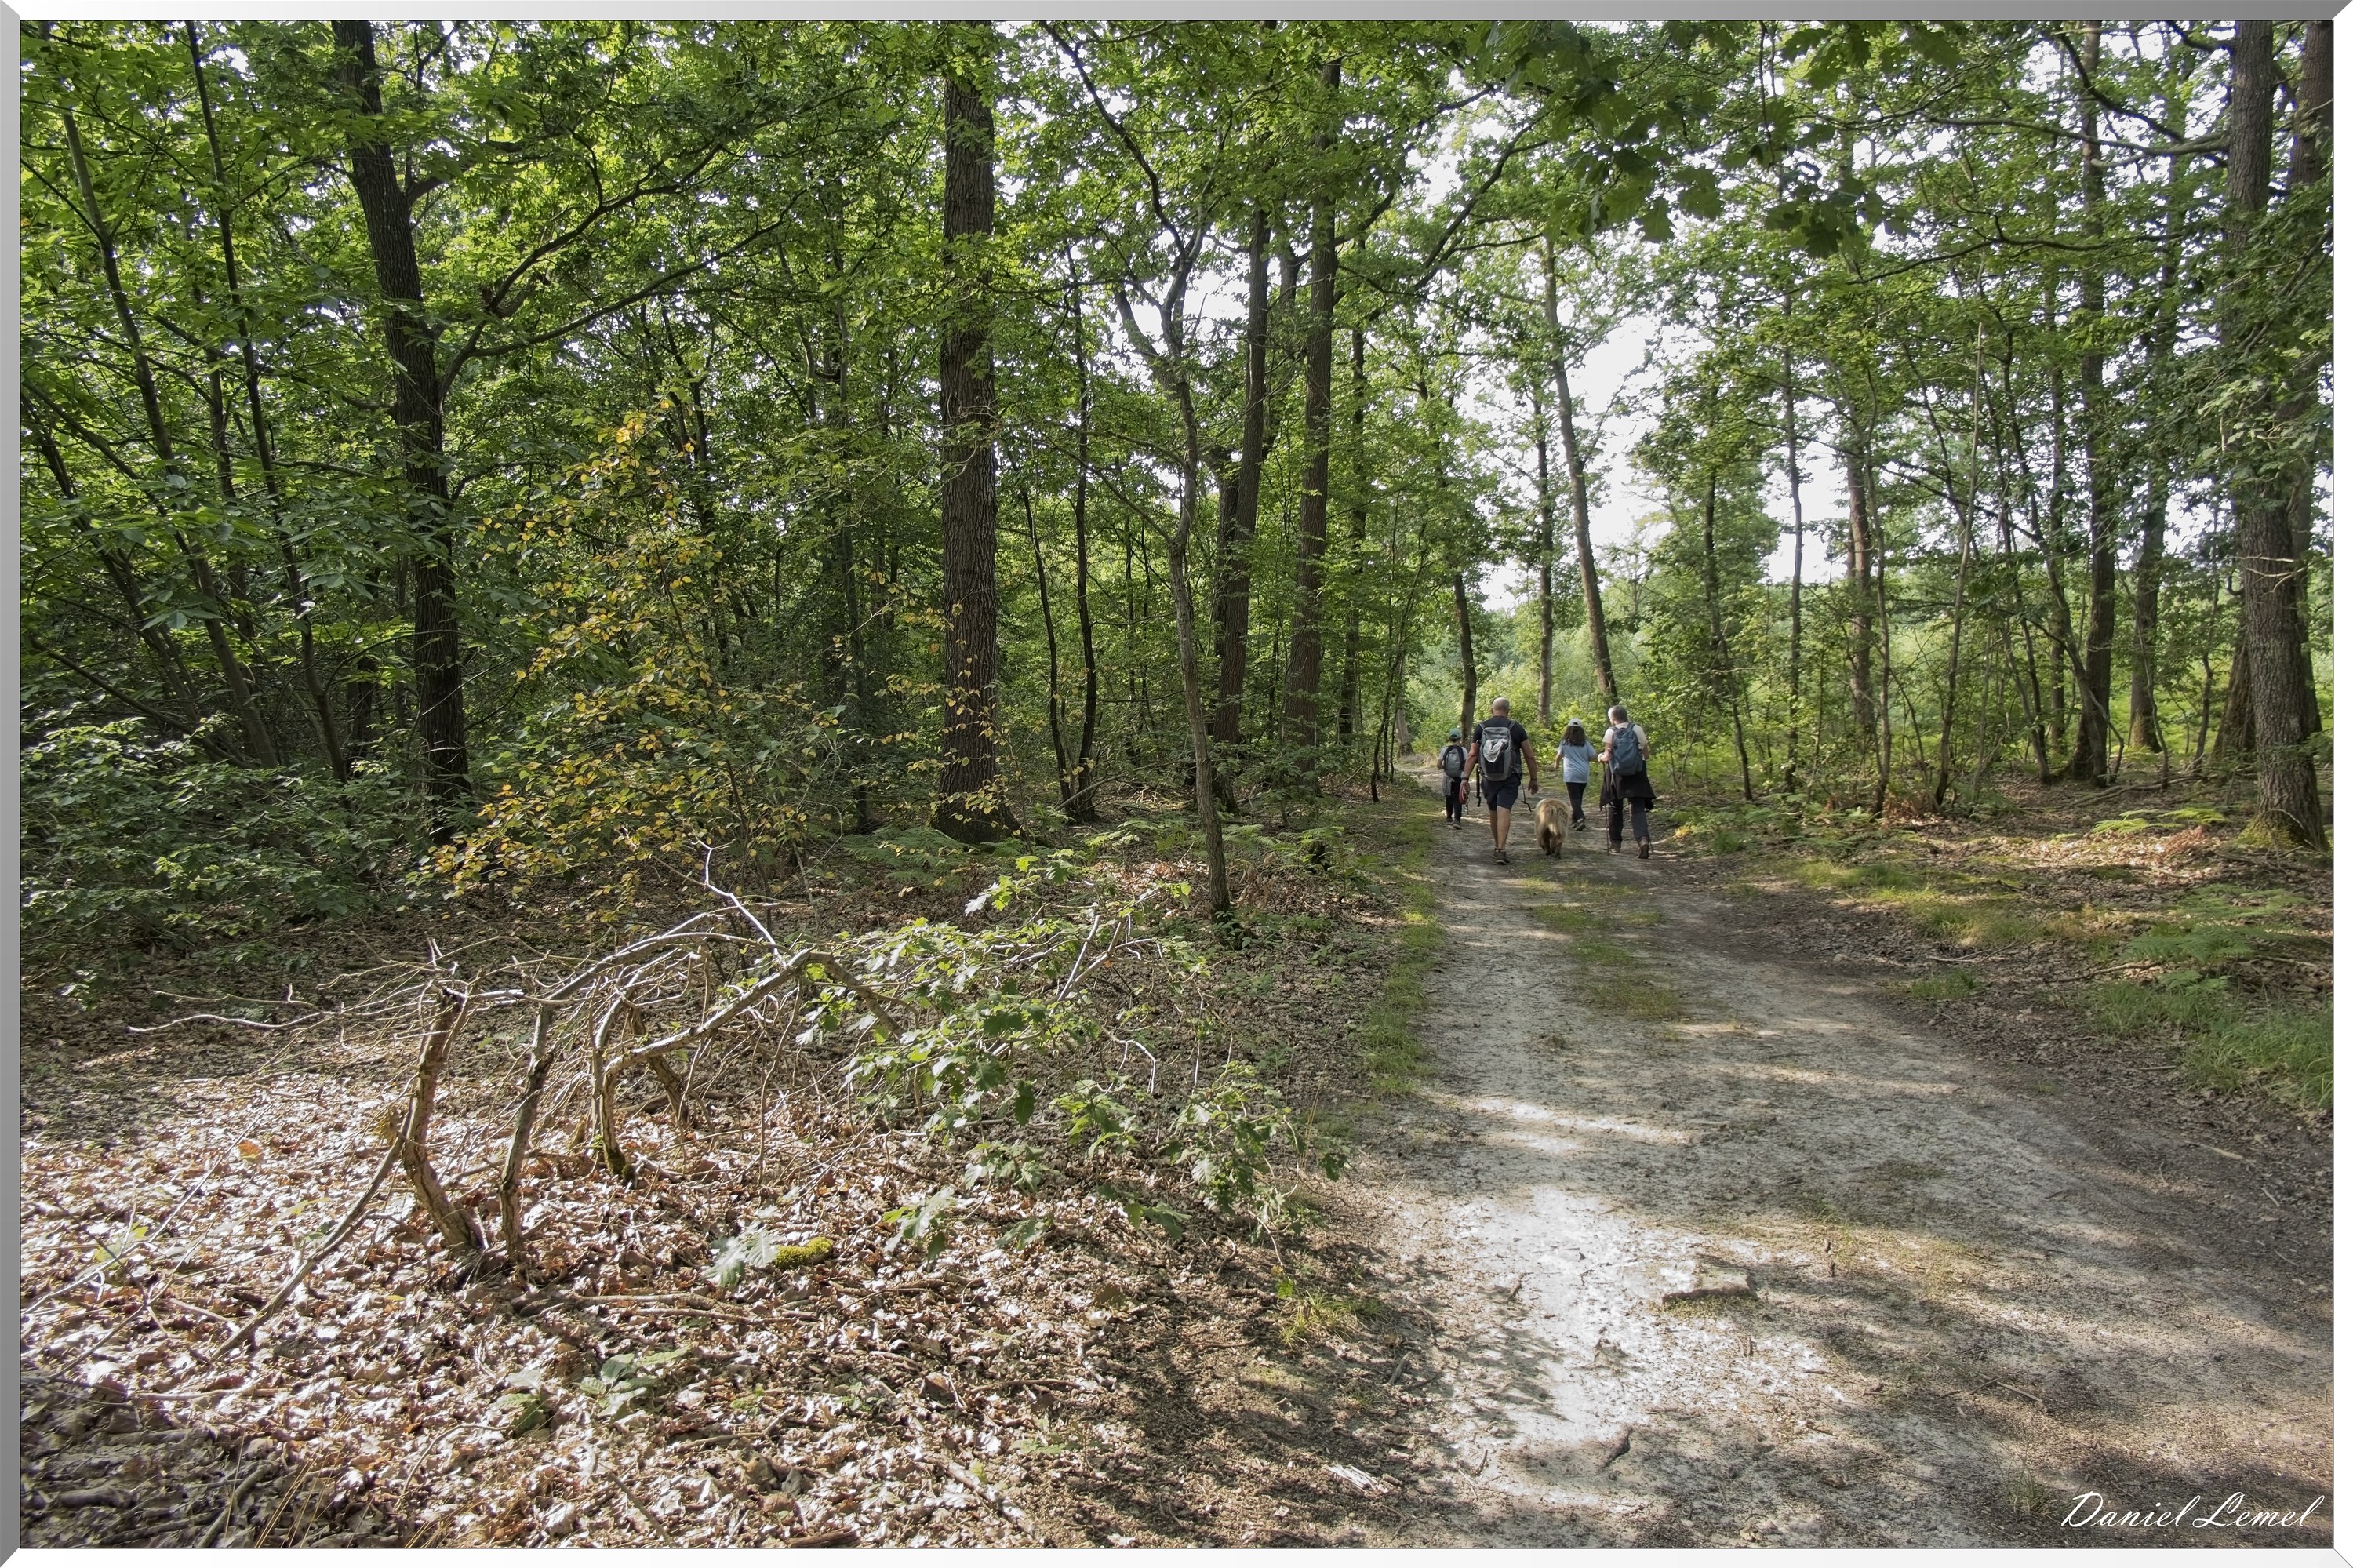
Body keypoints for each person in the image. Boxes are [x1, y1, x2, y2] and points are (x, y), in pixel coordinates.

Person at [1471, 697, 1540, 865]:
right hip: (1510, 776)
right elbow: (1529, 756)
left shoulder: (1481, 728)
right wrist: (1534, 779)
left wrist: (1465, 778)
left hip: (1489, 777)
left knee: (1493, 811)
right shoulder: (1515, 727)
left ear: (1492, 709)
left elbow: (1473, 754)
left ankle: (1497, 846)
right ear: (1508, 711)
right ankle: (1501, 849)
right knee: (1504, 809)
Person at [1598, 703, 1654, 858]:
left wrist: (1600, 757)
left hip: (1617, 775)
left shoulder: (1611, 732)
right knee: (1637, 809)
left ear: (1613, 718)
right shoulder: (1637, 729)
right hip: (1637, 773)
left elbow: (1607, 756)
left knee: (1615, 808)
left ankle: (1615, 845)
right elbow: (1646, 755)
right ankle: (1643, 840)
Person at [1555, 719, 1598, 831]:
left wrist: (1556, 765)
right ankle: (1574, 821)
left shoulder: (1565, 742)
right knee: (1578, 797)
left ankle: (1580, 818)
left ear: (1568, 730)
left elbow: (1559, 755)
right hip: (1583, 773)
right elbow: (1594, 756)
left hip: (1571, 774)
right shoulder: (1585, 743)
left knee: (1574, 798)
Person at [1438, 729, 1469, 829]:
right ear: (1460, 738)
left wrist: (1446, 767)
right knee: (1457, 798)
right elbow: (1467, 765)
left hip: (1447, 777)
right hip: (1459, 777)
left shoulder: (1444, 750)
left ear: (1449, 739)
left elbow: (1438, 765)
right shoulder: (1463, 750)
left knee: (1448, 797)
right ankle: (1457, 820)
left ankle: (1448, 818)